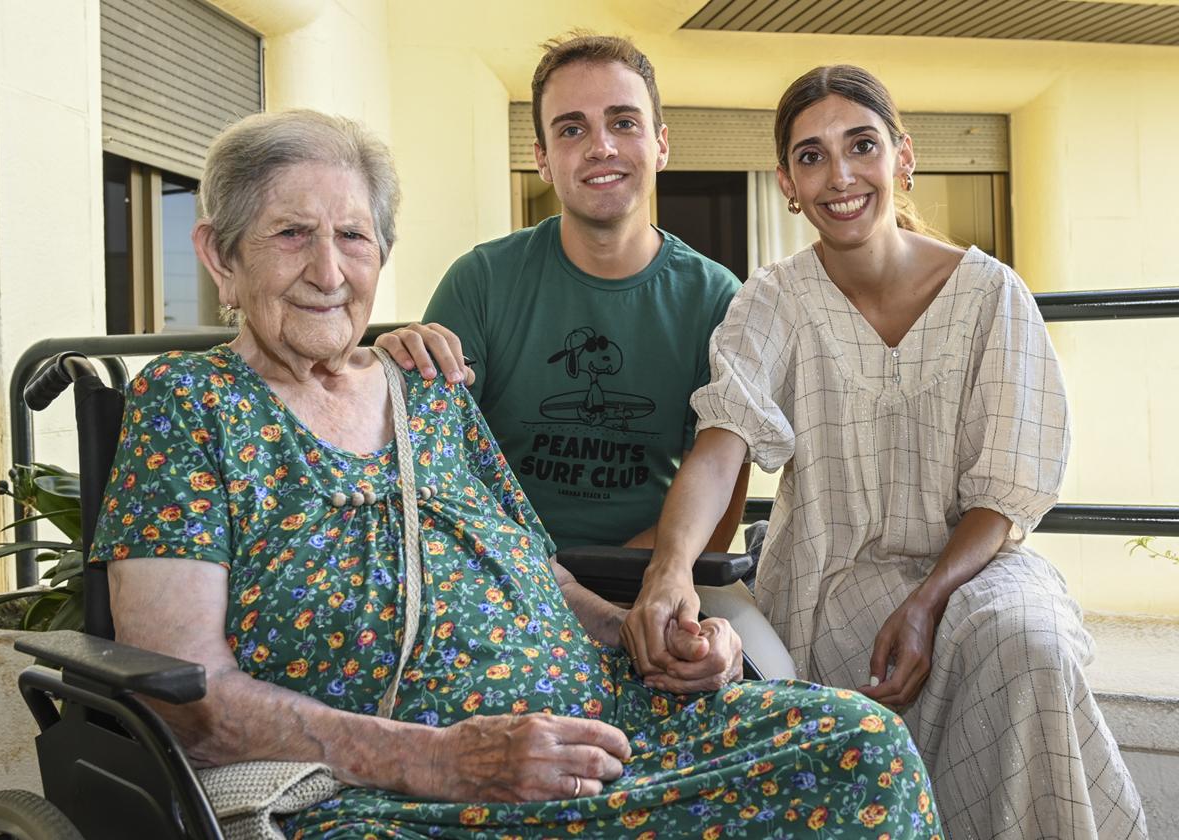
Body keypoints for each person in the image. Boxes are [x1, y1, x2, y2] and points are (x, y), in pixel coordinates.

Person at [92, 109, 942, 839]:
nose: (329, 270)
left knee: (861, 747)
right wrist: (444, 759)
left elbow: (537, 573)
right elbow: (185, 693)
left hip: (614, 735)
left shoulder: (426, 391)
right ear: (218, 256)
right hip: (400, 793)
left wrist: (647, 635)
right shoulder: (187, 406)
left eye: (354, 236)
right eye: (291, 234)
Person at [621, 65, 1148, 839]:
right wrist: (668, 570)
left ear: (903, 156)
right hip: (831, 581)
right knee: (872, 659)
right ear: (786, 184)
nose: (840, 176)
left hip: (975, 570)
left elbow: (1004, 493)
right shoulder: (772, 301)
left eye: (861, 145)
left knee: (1030, 643)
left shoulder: (993, 296)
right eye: (811, 156)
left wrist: (930, 598)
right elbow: (721, 442)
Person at [378, 33, 749, 555]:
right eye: (572, 129)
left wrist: (624, 587)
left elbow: (722, 488)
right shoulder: (481, 281)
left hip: (650, 571)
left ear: (661, 143)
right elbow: (433, 470)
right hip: (496, 570)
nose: (602, 147)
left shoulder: (716, 299)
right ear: (544, 159)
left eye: (624, 122)